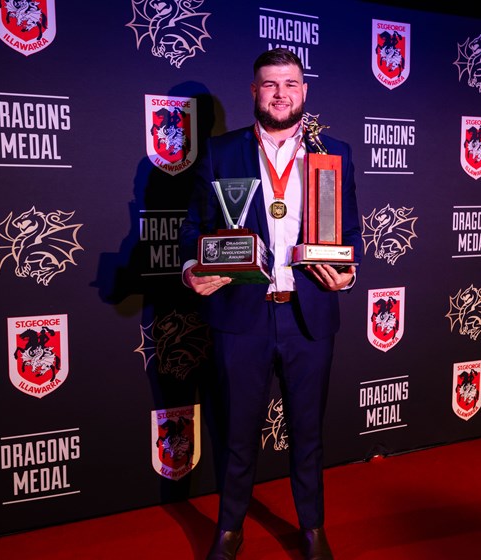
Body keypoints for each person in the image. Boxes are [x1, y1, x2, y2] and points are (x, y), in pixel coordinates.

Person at [178, 48, 361, 560]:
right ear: (254, 92)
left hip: (309, 315)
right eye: (269, 84)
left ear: (304, 91)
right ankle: (230, 529)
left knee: (309, 432)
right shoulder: (220, 152)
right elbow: (193, 229)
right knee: (237, 432)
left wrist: (346, 273)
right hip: (242, 317)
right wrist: (194, 270)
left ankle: (313, 528)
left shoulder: (335, 153)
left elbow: (349, 233)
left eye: (291, 83)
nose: (281, 93)